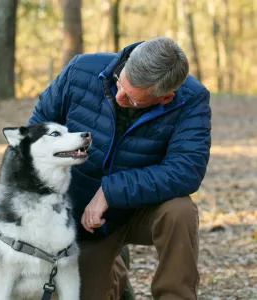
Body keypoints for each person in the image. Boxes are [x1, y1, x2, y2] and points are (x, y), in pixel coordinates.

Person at [27, 37, 211, 300]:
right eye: (118, 84)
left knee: (179, 211)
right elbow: (34, 138)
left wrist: (110, 192)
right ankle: (115, 268)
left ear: (165, 97)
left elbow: (186, 170)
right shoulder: (81, 71)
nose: (119, 95)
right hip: (83, 217)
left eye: (133, 100)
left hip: (141, 209)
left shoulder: (191, 99)